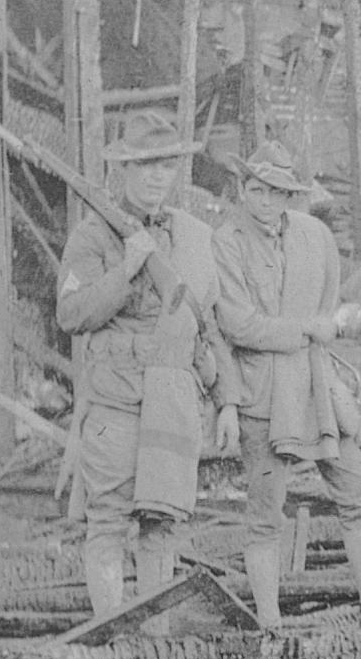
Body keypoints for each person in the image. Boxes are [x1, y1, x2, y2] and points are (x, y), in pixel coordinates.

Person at [212, 143, 361, 628]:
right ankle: (270, 624)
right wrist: (307, 328)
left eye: (276, 191)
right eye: (256, 189)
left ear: (291, 195)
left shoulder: (315, 236)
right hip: (261, 390)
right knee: (266, 513)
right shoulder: (227, 242)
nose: (264, 200)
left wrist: (322, 328)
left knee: (358, 491)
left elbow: (328, 306)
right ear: (243, 188)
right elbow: (238, 324)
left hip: (315, 384)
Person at [58, 110, 233, 620]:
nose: (158, 176)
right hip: (116, 403)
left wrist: (227, 403)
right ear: (124, 170)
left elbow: (210, 325)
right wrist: (127, 271)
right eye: (147, 165)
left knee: (162, 526)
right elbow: (70, 313)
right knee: (108, 524)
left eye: (167, 166)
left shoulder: (193, 236)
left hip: (174, 402)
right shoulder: (93, 237)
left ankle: (153, 638)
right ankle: (112, 634)